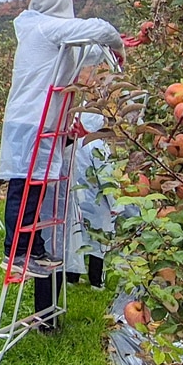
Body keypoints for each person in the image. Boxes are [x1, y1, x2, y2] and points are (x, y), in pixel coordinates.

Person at [0, 0, 122, 283]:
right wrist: (120, 48)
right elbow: (101, 29)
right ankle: (15, 253)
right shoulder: (44, 27)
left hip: (41, 122)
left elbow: (89, 51)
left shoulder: (46, 34)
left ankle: (34, 248)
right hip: (31, 121)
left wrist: (116, 48)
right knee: (24, 187)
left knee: (35, 189)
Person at [66, 112, 116, 289]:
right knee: (99, 239)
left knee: (77, 236)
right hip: (97, 201)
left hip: (77, 197)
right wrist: (115, 203)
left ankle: (72, 276)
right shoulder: (97, 146)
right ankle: (96, 280)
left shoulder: (72, 143)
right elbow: (106, 177)